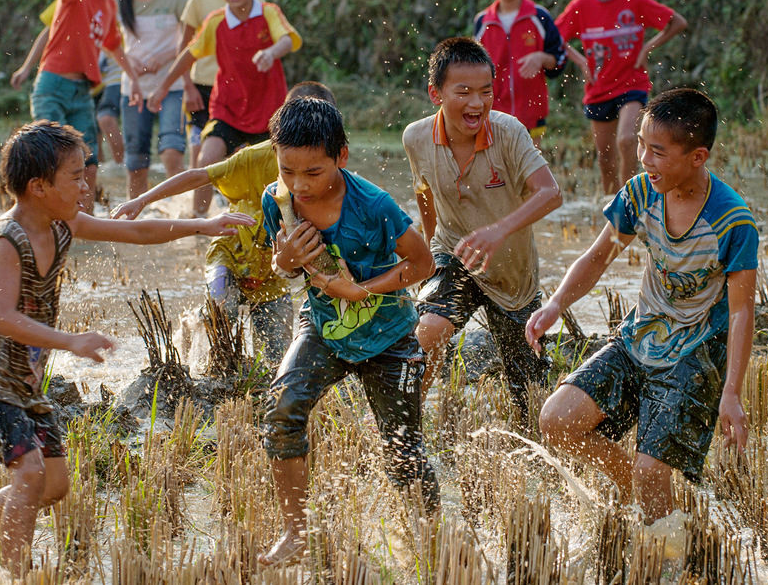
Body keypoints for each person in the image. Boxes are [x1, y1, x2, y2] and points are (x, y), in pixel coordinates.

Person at [0, 120, 253, 577]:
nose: (86, 184)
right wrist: (70, 341)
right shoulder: (6, 240)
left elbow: (138, 234)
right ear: (39, 187)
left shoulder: (64, 224)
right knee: (30, 475)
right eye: (76, 176)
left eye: (85, 173)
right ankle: (15, 574)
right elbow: (2, 317)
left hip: (25, 380)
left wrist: (205, 225)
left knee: (53, 485)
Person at [526, 88, 758, 523]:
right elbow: (598, 255)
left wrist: (732, 393)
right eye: (640, 146)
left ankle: (664, 550)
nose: (643, 160)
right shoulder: (639, 194)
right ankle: (637, 489)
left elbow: (744, 310)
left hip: (695, 353)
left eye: (656, 152)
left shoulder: (732, 222)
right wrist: (557, 302)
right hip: (641, 337)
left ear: (697, 157)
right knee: (557, 420)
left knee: (654, 470)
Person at [259, 97, 439, 565]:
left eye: (312, 173)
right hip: (323, 326)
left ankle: (431, 542)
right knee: (281, 410)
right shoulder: (276, 201)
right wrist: (284, 261)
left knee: (404, 448)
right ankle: (296, 532)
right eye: (287, 171)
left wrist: (362, 290)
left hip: (389, 337)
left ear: (341, 155)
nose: (298, 185)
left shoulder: (374, 205)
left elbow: (422, 263)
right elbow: (281, 269)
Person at [112, 82, 336, 364]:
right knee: (222, 316)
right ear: (281, 126)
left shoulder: (332, 172)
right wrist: (141, 200)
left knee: (278, 360)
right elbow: (198, 176)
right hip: (230, 254)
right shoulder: (254, 157)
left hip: (273, 276)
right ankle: (197, 327)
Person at [403, 37, 561, 418]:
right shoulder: (416, 137)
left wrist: (498, 230)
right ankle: (404, 428)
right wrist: (429, 253)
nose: (477, 104)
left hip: (513, 275)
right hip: (455, 252)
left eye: (486, 91)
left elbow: (550, 194)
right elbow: (423, 193)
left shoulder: (509, 132)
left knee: (531, 403)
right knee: (428, 330)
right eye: (464, 92)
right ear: (435, 93)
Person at [148, 0, 300, 213]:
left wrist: (272, 52)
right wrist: (163, 87)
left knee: (278, 172)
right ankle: (198, 221)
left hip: (268, 110)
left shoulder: (268, 12)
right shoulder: (216, 21)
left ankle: (282, 224)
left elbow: (287, 39)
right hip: (227, 108)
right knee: (206, 161)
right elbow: (189, 54)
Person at [555, 0, 688, 195]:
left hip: (632, 85)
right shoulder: (580, 7)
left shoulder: (636, 1)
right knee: (605, 158)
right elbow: (553, 37)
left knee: (627, 140)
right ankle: (610, 205)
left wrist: (647, 47)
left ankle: (631, 197)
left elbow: (677, 22)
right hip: (598, 88)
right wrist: (580, 60)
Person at [30, 0, 143, 212]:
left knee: (88, 163)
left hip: (82, 92)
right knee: (52, 156)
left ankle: (83, 222)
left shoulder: (108, 4)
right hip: (53, 85)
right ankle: (42, 216)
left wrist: (134, 79)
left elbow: (114, 46)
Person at [179, 0, 264, 215]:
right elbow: (186, 46)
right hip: (203, 87)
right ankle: (197, 216)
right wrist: (186, 86)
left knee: (244, 158)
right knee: (201, 154)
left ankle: (240, 213)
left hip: (243, 94)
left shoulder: (259, 3)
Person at [113, 0, 191, 198]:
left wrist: (167, 55)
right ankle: (133, 218)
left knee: (171, 151)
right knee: (136, 162)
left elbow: (196, 36)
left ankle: (183, 214)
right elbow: (106, 40)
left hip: (173, 84)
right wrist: (127, 61)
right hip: (133, 87)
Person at [473, 0, 566, 149]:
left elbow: (559, 60)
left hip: (531, 112)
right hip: (493, 112)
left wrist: (541, 57)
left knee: (528, 171)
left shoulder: (539, 17)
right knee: (497, 173)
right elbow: (473, 68)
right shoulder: (482, 22)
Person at [11, 2, 125, 165]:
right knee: (59, 147)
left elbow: (114, 43)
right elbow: (49, 30)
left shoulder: (109, 0)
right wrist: (26, 67)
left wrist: (133, 75)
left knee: (90, 149)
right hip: (62, 80)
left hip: (98, 79)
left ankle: (116, 166)